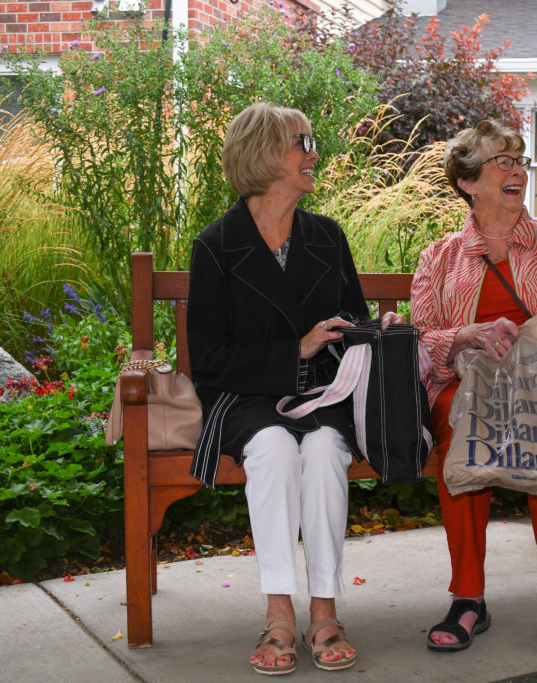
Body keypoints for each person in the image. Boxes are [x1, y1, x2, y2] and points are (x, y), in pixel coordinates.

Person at [187, 102, 405, 674]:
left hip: (322, 397)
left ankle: (325, 611)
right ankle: (280, 612)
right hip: (245, 398)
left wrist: (370, 333)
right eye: (301, 142)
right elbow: (208, 361)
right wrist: (296, 349)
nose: (314, 153)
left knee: (326, 450)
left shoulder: (327, 237)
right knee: (276, 450)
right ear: (263, 154)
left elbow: (354, 323)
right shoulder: (214, 246)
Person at [410, 119, 537, 653]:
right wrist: (466, 335)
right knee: (461, 425)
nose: (517, 169)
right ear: (469, 182)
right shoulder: (440, 256)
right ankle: (468, 599)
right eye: (503, 160)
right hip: (471, 384)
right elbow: (424, 339)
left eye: (520, 160)